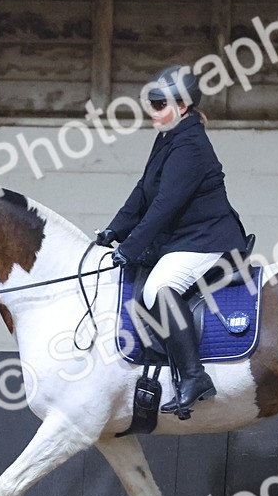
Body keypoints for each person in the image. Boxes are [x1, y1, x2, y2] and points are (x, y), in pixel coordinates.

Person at [96, 66, 247, 417]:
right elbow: (144, 191)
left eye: (160, 103)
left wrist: (129, 249)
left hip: (209, 240)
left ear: (182, 106)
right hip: (186, 239)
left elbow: (166, 205)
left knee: (159, 288)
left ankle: (195, 377)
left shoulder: (191, 143)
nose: (153, 110)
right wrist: (113, 231)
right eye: (151, 102)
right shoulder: (169, 135)